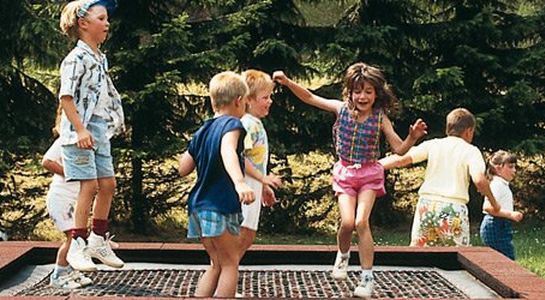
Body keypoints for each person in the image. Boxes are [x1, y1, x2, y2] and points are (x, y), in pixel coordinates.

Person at [273, 63, 427, 298]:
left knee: (361, 222)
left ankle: (367, 278)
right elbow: (310, 97)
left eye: (368, 91)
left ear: (376, 94)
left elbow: (398, 149)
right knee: (347, 222)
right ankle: (343, 255)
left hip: (369, 174)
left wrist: (412, 137)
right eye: (358, 91)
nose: (362, 96)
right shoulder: (340, 109)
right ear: (350, 92)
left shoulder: (380, 118)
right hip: (345, 173)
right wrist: (287, 81)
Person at [58, 0, 125, 271]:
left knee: (108, 185)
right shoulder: (76, 58)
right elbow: (66, 96)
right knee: (90, 186)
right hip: (79, 130)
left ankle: (98, 238)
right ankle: (77, 243)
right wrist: (80, 129)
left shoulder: (99, 57)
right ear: (83, 24)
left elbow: (104, 93)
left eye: (107, 18)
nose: (107, 23)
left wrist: (114, 119)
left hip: (98, 127)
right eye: (101, 18)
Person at [178, 71, 255, 298]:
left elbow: (183, 168)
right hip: (219, 205)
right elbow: (227, 150)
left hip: (198, 207)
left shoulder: (202, 130)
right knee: (231, 263)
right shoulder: (233, 124)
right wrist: (240, 182)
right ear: (239, 101)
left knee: (216, 264)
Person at [379, 108, 502, 248]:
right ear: (469, 131)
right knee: (458, 257)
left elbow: (401, 159)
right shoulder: (471, 151)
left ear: (448, 128)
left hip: (426, 206)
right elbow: (479, 180)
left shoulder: (434, 144)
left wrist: (373, 166)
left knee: (418, 256)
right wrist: (493, 202)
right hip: (453, 208)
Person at [239, 69, 282, 257]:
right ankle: (225, 276)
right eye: (265, 97)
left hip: (254, 187)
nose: (270, 101)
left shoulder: (255, 123)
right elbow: (240, 157)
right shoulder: (248, 124)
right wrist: (263, 179)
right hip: (245, 189)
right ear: (248, 99)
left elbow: (256, 160)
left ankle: (226, 274)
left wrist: (263, 186)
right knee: (243, 236)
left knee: (247, 236)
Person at [43, 136, 94, 289]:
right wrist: (71, 173)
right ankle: (58, 275)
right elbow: (46, 162)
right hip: (60, 199)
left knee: (79, 237)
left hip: (73, 201)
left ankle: (69, 271)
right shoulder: (65, 140)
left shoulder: (89, 143)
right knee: (73, 237)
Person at [480, 150, 523, 260]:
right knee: (507, 260)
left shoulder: (502, 184)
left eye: (514, 167)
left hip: (500, 225)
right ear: (498, 168)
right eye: (510, 167)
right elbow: (487, 207)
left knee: (502, 259)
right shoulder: (497, 185)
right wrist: (510, 214)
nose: (514, 170)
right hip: (495, 225)